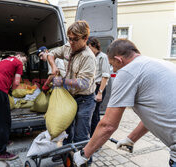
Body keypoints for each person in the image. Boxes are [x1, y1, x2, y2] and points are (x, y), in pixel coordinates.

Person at [73, 39, 176, 167]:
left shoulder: (127, 71)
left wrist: (84, 154)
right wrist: (131, 139)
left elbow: (108, 125)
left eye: (113, 65)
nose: (113, 70)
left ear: (119, 60)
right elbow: (154, 115)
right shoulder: (161, 64)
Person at [47, 20, 96, 163]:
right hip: (70, 96)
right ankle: (65, 154)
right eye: (70, 38)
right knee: (67, 129)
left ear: (85, 38)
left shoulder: (88, 57)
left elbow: (84, 83)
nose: (72, 42)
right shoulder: (68, 47)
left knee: (81, 134)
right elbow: (51, 53)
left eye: (75, 39)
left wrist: (62, 81)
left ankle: (84, 160)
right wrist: (53, 66)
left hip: (85, 99)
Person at [0, 52, 27, 161]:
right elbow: (17, 82)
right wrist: (11, 91)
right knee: (3, 120)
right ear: (18, 56)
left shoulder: (3, 60)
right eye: (24, 60)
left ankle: (3, 139)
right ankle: (1, 152)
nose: (23, 63)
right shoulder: (18, 62)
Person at [87, 37, 110, 136]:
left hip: (99, 87)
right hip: (91, 88)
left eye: (88, 47)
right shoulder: (91, 57)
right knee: (92, 114)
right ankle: (93, 136)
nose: (87, 50)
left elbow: (105, 76)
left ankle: (96, 138)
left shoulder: (103, 57)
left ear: (93, 45)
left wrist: (100, 92)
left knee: (95, 114)